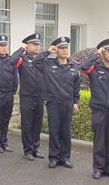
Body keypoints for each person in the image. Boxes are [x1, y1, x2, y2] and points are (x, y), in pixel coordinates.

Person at [80, 38, 109, 179]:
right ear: (103, 52)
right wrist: (96, 54)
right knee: (99, 140)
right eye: (108, 51)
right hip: (99, 109)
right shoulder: (94, 68)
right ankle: (98, 168)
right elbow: (83, 67)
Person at [33, 36, 80, 168]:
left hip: (68, 102)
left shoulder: (74, 66)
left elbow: (76, 86)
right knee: (54, 131)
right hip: (53, 102)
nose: (65, 50)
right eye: (61, 48)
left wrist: (75, 102)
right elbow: (36, 62)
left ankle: (65, 158)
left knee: (66, 131)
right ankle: (53, 157)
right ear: (56, 50)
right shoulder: (48, 64)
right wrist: (48, 51)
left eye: (66, 48)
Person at [11, 33, 45, 161]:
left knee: (37, 124)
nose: (37, 47)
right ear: (27, 46)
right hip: (27, 97)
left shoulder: (42, 60)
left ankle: (35, 148)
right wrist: (21, 49)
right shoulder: (22, 59)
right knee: (27, 124)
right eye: (34, 44)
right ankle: (28, 150)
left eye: (38, 45)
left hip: (39, 96)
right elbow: (11, 61)